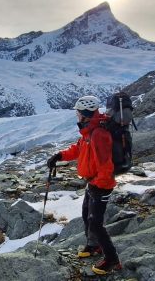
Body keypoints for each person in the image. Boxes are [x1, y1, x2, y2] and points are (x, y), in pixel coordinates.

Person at [47, 95, 122, 275]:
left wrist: (98, 185)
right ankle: (93, 246)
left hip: (101, 185)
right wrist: (59, 156)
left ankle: (112, 260)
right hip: (93, 182)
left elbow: (106, 166)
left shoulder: (99, 134)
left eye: (78, 113)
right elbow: (78, 148)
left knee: (96, 223)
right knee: (85, 214)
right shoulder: (90, 130)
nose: (77, 116)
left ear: (85, 114)